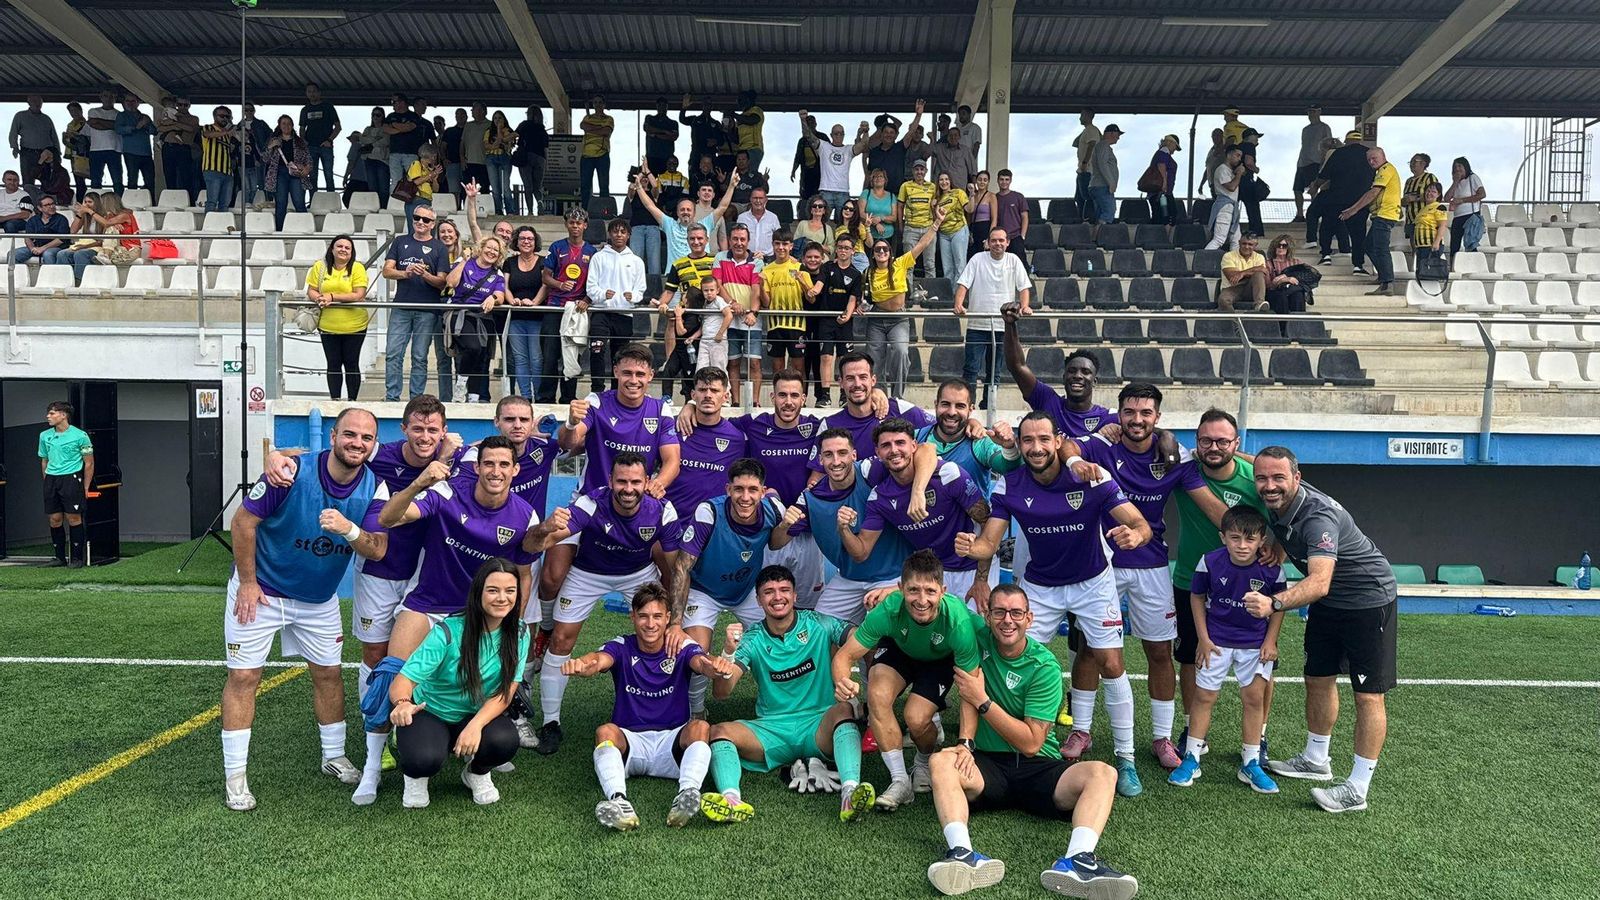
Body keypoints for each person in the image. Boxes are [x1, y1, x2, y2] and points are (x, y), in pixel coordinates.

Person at [958, 412, 1153, 795]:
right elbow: (988, 543)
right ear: (1019, 443)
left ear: (1057, 440)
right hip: (1040, 586)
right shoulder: (1009, 484)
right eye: (1027, 440)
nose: (1035, 448)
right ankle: (1011, 738)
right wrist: (971, 548)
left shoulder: (1091, 476)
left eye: (1043, 439)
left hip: (1093, 582)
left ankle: (1126, 758)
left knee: (1112, 663)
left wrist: (1136, 536)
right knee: (1012, 655)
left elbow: (1139, 523)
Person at [924, 583, 1139, 899]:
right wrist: (891, 591)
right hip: (987, 766)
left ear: (1029, 618)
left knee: (1103, 773)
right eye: (999, 612)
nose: (1007, 620)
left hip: (1038, 767)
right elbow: (941, 601)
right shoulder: (976, 637)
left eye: (1016, 613)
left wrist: (983, 701)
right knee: (940, 760)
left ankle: (1079, 861)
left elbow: (1031, 743)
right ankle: (962, 854)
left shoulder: (1044, 666)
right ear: (987, 615)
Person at [220, 408, 381, 811]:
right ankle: (235, 777)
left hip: (318, 600)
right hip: (263, 591)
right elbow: (242, 524)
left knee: (327, 674)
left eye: (365, 437)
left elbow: (376, 547)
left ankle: (334, 756)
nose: (356, 443)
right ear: (332, 436)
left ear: (373, 444)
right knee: (243, 676)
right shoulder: (288, 472)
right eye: (349, 434)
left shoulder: (374, 486)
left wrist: (349, 529)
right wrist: (249, 582)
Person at [1076, 385, 1229, 772]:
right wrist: (1079, 456)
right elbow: (1064, 447)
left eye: (1146, 413)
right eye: (1130, 412)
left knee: (1159, 652)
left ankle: (1161, 737)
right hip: (1101, 565)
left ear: (1157, 417)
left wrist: (1252, 536)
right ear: (1119, 415)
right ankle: (1080, 730)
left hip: (1151, 564)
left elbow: (1213, 503)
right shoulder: (1101, 447)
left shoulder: (1173, 457)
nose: (1137, 420)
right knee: (1091, 650)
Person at [1252, 447, 1397, 814]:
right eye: (1262, 478)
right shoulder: (1279, 499)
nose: (1270, 486)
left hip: (1367, 600)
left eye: (1278, 478)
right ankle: (1316, 759)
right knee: (1318, 678)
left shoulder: (1318, 517)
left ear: (1296, 479)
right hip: (1330, 605)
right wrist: (1279, 547)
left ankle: (1357, 789)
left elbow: (1319, 583)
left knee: (1367, 695)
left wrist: (1274, 604)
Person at [699, 565, 876, 824]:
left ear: (795, 596)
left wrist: (869, 688)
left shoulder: (819, 624)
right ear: (759, 600)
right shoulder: (752, 639)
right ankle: (732, 800)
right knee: (719, 732)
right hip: (772, 730)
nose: (777, 597)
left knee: (844, 710)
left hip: (819, 725)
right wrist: (727, 653)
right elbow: (722, 693)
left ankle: (850, 793)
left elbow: (865, 638)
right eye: (769, 592)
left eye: (784, 590)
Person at [530, 452, 680, 754]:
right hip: (588, 573)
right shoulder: (590, 503)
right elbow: (538, 544)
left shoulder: (662, 510)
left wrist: (675, 620)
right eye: (621, 481)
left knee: (662, 636)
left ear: (647, 482)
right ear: (610, 481)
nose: (628, 488)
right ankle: (551, 722)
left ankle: (666, 715)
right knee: (561, 639)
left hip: (637, 573)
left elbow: (675, 570)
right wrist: (543, 530)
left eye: (636, 482)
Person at [564, 582, 732, 829]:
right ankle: (619, 802)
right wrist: (582, 664)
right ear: (632, 616)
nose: (650, 624)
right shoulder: (622, 645)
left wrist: (715, 667)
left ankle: (687, 794)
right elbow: (598, 660)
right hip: (631, 743)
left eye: (656, 616)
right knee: (605, 732)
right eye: (643, 616)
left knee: (700, 727)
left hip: (672, 744)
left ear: (667, 619)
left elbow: (702, 663)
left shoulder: (681, 646)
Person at [830, 550, 981, 809]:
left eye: (930, 592)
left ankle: (922, 762)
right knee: (877, 695)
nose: (922, 600)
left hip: (938, 659)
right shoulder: (887, 610)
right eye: (913, 590)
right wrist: (842, 681)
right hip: (900, 650)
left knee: (916, 718)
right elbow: (844, 656)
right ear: (900, 588)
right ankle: (900, 781)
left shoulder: (958, 622)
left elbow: (972, 687)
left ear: (942, 591)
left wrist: (965, 742)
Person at [1166, 408, 1272, 755]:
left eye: (1223, 441)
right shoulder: (1185, 471)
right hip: (1190, 580)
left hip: (1251, 587)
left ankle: (1261, 735)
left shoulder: (1254, 478)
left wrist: (1279, 554)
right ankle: (1191, 729)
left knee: (1261, 660)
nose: (1214, 447)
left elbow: (1286, 516)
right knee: (1190, 656)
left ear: (1236, 443)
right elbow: (1152, 438)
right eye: (1206, 440)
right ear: (1195, 443)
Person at [387, 558, 529, 808]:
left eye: (510, 591)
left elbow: (506, 692)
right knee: (424, 758)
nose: (502, 598)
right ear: (478, 592)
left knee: (505, 740)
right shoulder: (447, 631)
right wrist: (401, 703)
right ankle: (415, 776)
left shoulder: (520, 632)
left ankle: (476, 773)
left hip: (473, 714)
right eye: (493, 590)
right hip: (430, 712)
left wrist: (476, 725)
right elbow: (404, 679)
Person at [666, 459, 801, 718]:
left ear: (763, 491)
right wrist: (675, 622)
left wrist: (784, 526)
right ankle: (694, 713)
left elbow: (774, 544)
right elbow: (683, 567)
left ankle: (785, 706)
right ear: (728, 490)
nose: (745, 497)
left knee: (782, 640)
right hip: (705, 592)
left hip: (746, 590)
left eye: (752, 490)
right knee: (697, 649)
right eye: (739, 489)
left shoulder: (774, 508)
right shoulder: (709, 512)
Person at [1169, 506, 1286, 794]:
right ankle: (1192, 757)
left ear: (1261, 541)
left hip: (1254, 645)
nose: (1242, 546)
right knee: (1204, 697)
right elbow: (1196, 598)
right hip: (1216, 642)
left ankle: (1251, 762)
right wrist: (1203, 639)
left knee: (1254, 700)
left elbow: (1279, 607)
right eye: (1235, 538)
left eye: (1249, 540)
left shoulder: (1272, 569)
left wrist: (1271, 641)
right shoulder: (1209, 562)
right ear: (1223, 538)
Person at [841, 418, 993, 607]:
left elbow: (987, 523)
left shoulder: (948, 475)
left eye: (900, 443)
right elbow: (861, 552)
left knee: (976, 630)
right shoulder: (879, 497)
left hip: (972, 566)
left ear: (914, 446)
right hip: (931, 574)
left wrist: (981, 580)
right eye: (886, 445)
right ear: (877, 452)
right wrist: (844, 529)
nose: (894, 450)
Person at [864, 212, 943, 397]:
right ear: (874, 255)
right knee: (874, 360)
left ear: (890, 253)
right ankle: (879, 396)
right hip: (877, 318)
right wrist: (867, 228)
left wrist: (937, 222)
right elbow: (862, 296)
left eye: (885, 249)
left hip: (898, 318)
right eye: (878, 250)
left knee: (901, 352)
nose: (882, 252)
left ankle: (897, 397)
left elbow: (922, 244)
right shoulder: (868, 272)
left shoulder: (900, 263)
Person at [955, 228, 1031, 409]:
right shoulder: (977, 259)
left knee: (994, 372)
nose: (997, 244)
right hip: (977, 325)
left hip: (1002, 326)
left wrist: (1025, 305)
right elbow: (963, 284)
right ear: (988, 243)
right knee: (971, 370)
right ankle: (968, 406)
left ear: (1007, 243)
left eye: (1001, 240)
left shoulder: (1014, 260)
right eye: (994, 240)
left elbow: (1024, 287)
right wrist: (958, 304)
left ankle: (989, 406)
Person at [382, 204, 452, 402]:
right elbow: (386, 271)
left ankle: (416, 400)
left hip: (427, 309)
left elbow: (442, 281)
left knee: (420, 357)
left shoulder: (439, 247)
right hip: (401, 307)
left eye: (426, 220)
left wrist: (425, 275)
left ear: (433, 224)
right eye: (417, 217)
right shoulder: (400, 241)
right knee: (393, 353)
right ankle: (392, 397)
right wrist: (406, 273)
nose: (421, 222)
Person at [1005, 319, 1113, 438]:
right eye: (1072, 371)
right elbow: (1017, 366)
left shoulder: (1107, 417)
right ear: (1063, 378)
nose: (1077, 376)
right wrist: (1010, 324)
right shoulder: (1048, 401)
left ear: (1095, 381)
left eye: (1085, 372)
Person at [915, 381, 1020, 496]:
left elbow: (1009, 469)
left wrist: (1009, 447)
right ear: (936, 405)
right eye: (945, 404)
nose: (951, 412)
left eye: (960, 406)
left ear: (970, 409)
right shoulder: (916, 438)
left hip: (972, 513)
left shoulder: (980, 442)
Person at [585, 218, 648, 391]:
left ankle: (616, 391)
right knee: (597, 350)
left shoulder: (636, 261)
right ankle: (596, 390)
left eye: (622, 232)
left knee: (619, 356)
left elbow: (640, 290)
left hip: (624, 313)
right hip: (601, 311)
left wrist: (632, 297)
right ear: (610, 234)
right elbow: (591, 287)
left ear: (628, 235)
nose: (618, 235)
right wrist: (602, 295)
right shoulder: (598, 257)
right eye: (615, 231)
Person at [444, 235, 509, 403]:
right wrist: (465, 261)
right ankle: (460, 384)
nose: (492, 252)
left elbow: (500, 296)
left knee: (482, 357)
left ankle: (473, 396)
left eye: (496, 250)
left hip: (483, 317)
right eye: (489, 247)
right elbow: (451, 282)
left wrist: (492, 298)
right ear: (481, 248)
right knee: (473, 348)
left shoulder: (497, 273)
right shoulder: (466, 264)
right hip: (461, 314)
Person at [306, 235, 371, 400]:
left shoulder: (357, 268)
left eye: (347, 248)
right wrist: (318, 298)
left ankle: (352, 401)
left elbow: (359, 294)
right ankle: (334, 400)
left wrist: (332, 296)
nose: (343, 250)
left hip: (354, 325)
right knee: (333, 364)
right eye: (339, 246)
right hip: (328, 325)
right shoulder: (319, 267)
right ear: (332, 249)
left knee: (351, 363)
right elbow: (311, 290)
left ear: (352, 252)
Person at [542, 208, 596, 402]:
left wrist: (587, 300)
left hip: (577, 309)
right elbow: (546, 277)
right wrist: (559, 284)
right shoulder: (557, 247)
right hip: (555, 306)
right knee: (550, 355)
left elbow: (595, 282)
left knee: (572, 354)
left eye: (579, 223)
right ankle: (545, 397)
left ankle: (568, 397)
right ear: (566, 224)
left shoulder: (592, 251)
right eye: (572, 222)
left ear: (585, 225)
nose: (575, 226)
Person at [38, 401, 94, 568]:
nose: (48, 416)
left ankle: (77, 558)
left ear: (63, 415)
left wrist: (85, 486)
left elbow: (89, 463)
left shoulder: (80, 435)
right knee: (54, 519)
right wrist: (47, 480)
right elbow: (44, 460)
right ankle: (59, 558)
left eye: (52, 413)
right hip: (51, 479)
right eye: (48, 413)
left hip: (71, 478)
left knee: (73, 517)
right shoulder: (44, 435)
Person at [1339, 146, 1402, 295]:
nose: (1372, 161)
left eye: (1375, 158)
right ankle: (1383, 277)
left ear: (1383, 156)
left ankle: (1387, 283)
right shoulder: (1380, 171)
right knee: (1368, 246)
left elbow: (1373, 192)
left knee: (1381, 249)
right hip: (1380, 215)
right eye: (1369, 159)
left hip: (1385, 214)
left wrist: (1352, 210)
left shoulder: (1386, 170)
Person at [714, 222, 765, 402]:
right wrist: (732, 302)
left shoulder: (757, 262)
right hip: (729, 319)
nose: (738, 243)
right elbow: (717, 285)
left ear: (748, 241)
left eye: (742, 239)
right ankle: (735, 401)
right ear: (729, 240)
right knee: (733, 362)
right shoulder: (720, 257)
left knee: (755, 363)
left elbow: (756, 289)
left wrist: (753, 313)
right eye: (735, 239)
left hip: (751, 320)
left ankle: (755, 402)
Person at [811, 238, 862, 405]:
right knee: (826, 356)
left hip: (845, 322)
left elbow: (853, 299)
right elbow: (819, 284)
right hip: (826, 319)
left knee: (844, 358)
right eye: (840, 247)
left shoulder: (856, 274)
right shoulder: (827, 267)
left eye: (847, 248)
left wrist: (847, 315)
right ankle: (825, 396)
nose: (843, 251)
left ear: (852, 251)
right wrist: (813, 290)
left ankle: (844, 395)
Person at [1312, 130, 1373, 266]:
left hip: (1337, 198)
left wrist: (1315, 186)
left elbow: (1324, 176)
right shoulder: (1369, 154)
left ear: (1347, 141)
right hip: (1360, 200)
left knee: (1327, 226)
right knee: (1358, 234)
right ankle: (1358, 265)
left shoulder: (1338, 153)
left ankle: (1326, 255)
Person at [760, 229, 810, 378]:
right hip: (775, 324)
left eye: (785, 244)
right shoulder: (767, 269)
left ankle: (801, 400)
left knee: (798, 367)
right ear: (773, 245)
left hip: (797, 324)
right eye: (777, 244)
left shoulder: (799, 267)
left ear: (791, 246)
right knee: (777, 367)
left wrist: (803, 283)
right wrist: (761, 286)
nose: (781, 247)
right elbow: (767, 302)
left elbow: (811, 298)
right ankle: (778, 399)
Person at [804, 111, 872, 217]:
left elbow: (863, 145)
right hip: (826, 190)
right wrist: (803, 120)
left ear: (844, 135)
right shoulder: (823, 146)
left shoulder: (848, 149)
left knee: (845, 224)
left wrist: (866, 131)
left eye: (841, 133)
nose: (839, 135)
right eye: (836, 133)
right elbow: (808, 136)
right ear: (831, 135)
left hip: (843, 192)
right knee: (821, 222)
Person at [383, 94, 433, 198]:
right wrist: (400, 128)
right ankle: (394, 203)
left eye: (394, 102)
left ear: (402, 102)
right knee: (395, 180)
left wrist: (394, 125)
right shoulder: (390, 116)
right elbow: (385, 129)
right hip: (394, 153)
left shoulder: (413, 116)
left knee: (413, 179)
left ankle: (414, 201)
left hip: (410, 154)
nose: (393, 106)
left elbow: (409, 127)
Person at [265, 116, 310, 231]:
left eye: (289, 123)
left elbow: (309, 160)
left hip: (296, 174)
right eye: (284, 123)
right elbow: (265, 159)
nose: (286, 126)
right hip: (279, 173)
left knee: (299, 202)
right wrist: (270, 147)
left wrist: (306, 169)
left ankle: (305, 228)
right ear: (279, 125)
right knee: (280, 204)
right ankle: (280, 231)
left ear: (292, 125)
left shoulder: (300, 142)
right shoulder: (273, 141)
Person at [159, 94, 202, 204]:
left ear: (189, 105)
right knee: (169, 176)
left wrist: (174, 123)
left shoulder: (193, 118)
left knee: (186, 177)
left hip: (184, 148)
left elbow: (191, 128)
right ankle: (171, 202)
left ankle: (188, 203)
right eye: (180, 104)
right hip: (168, 148)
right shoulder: (168, 114)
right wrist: (175, 126)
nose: (182, 107)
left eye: (185, 105)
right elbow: (160, 127)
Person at [1293, 105, 1332, 222]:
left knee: (1313, 188)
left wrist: (1324, 162)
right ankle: (1300, 215)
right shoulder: (1305, 129)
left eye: (1314, 111)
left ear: (1319, 112)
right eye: (1310, 112)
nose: (1311, 114)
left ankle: (1314, 214)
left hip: (1315, 163)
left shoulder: (1324, 127)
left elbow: (1328, 145)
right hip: (1302, 163)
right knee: (1297, 189)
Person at [899, 159, 937, 276]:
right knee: (908, 265)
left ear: (926, 171)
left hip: (928, 229)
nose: (919, 172)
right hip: (911, 228)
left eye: (922, 169)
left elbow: (936, 206)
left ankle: (932, 293)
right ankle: (908, 294)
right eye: (916, 169)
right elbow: (900, 206)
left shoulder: (932, 186)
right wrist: (901, 226)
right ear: (913, 171)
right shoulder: (905, 186)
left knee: (930, 264)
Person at [9, 94, 56, 188]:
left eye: (39, 101)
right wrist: (14, 147)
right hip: (27, 153)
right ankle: (28, 201)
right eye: (34, 101)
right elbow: (13, 133)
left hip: (45, 153)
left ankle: (46, 201)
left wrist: (57, 153)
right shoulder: (20, 116)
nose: (37, 103)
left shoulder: (46, 119)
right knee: (28, 180)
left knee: (47, 180)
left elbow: (54, 137)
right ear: (29, 102)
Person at [112, 95, 156, 195]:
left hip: (146, 153)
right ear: (124, 102)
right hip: (130, 153)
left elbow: (154, 131)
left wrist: (146, 124)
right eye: (128, 101)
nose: (130, 103)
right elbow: (118, 129)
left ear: (138, 103)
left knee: (150, 181)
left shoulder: (144, 116)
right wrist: (135, 127)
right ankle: (131, 203)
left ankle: (151, 202)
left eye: (133, 101)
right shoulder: (122, 116)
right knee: (132, 179)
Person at [1204, 145, 1245, 251]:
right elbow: (1231, 187)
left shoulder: (1230, 171)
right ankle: (1203, 258)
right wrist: (1239, 173)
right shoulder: (1222, 169)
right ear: (1228, 155)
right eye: (1237, 155)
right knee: (1219, 239)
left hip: (1231, 207)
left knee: (1236, 240)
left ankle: (1234, 264)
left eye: (1240, 156)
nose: (1239, 159)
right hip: (1225, 207)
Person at [9, 195, 69, 266]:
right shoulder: (33, 220)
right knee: (12, 254)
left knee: (48, 254)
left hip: (56, 248)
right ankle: (17, 276)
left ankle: (51, 276)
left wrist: (42, 248)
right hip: (37, 246)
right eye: (47, 205)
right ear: (40, 208)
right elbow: (27, 238)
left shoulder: (62, 219)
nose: (51, 206)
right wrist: (32, 249)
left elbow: (61, 240)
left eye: (53, 204)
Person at [932, 172, 970, 281]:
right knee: (947, 267)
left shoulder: (958, 192)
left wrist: (972, 194)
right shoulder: (937, 198)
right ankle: (950, 294)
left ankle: (959, 295)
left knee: (960, 264)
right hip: (943, 234)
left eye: (946, 179)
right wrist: (932, 206)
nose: (944, 182)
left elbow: (969, 209)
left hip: (958, 230)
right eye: (941, 180)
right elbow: (935, 219)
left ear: (950, 181)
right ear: (938, 183)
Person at [199, 107, 238, 213]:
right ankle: (208, 227)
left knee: (225, 204)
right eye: (222, 116)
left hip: (228, 172)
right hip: (212, 170)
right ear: (215, 117)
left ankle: (221, 225)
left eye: (227, 116)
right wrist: (227, 132)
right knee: (212, 201)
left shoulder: (228, 136)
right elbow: (207, 134)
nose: (225, 118)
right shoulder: (208, 127)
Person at [1444, 156, 1486, 255]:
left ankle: (1473, 265)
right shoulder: (1456, 182)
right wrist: (1455, 182)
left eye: (1460, 166)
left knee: (1471, 244)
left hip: (1471, 215)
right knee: (1454, 245)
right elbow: (1446, 198)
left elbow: (1482, 194)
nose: (1457, 169)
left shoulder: (1473, 178)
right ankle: (1453, 265)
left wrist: (1462, 200)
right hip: (1458, 216)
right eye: (1455, 167)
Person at [1218, 234, 1270, 312]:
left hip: (1250, 289)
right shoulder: (1228, 256)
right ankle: (1234, 323)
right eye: (1244, 243)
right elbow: (1232, 276)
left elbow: (1262, 273)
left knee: (1259, 274)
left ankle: (1259, 303)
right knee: (1223, 300)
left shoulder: (1259, 257)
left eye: (1250, 244)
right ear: (1239, 243)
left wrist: (1242, 273)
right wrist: (1254, 270)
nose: (1246, 247)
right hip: (1232, 288)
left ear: (1256, 245)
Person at [1263, 234, 1309, 321]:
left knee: (1298, 295)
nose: (1280, 248)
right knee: (1282, 297)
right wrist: (1284, 280)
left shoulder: (1296, 262)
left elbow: (1303, 279)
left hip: (1293, 291)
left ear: (1289, 248)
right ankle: (1283, 327)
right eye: (1278, 245)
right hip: (1275, 293)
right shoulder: (1268, 263)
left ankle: (1297, 326)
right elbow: (1268, 286)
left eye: (1284, 246)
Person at [85, 88, 123, 194]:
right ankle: (95, 204)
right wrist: (112, 125)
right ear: (101, 97)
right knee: (96, 180)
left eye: (111, 96)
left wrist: (99, 121)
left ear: (115, 98)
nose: (109, 99)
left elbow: (117, 127)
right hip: (96, 149)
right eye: (106, 96)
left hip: (114, 149)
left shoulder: (119, 114)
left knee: (117, 180)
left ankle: (119, 203)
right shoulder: (93, 111)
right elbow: (93, 124)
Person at [514, 106, 549, 214]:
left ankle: (529, 211)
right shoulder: (542, 130)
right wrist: (545, 162)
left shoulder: (524, 125)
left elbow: (515, 135)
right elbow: (545, 149)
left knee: (527, 186)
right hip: (540, 159)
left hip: (526, 157)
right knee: (537, 187)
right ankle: (540, 203)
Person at [580, 95, 614, 206]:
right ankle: (585, 210)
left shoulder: (609, 119)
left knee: (603, 185)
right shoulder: (587, 117)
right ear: (593, 104)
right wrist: (599, 128)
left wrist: (591, 128)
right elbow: (583, 125)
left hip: (602, 154)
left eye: (600, 102)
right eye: (595, 102)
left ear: (604, 104)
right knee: (585, 185)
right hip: (586, 155)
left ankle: (604, 210)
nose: (597, 104)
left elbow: (606, 131)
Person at [1086, 124, 1123, 225]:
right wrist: (1111, 182)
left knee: (1100, 214)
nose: (1118, 138)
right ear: (1111, 133)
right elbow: (1102, 163)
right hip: (1102, 186)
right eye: (1117, 134)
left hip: (1098, 186)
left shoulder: (1103, 146)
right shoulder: (1103, 145)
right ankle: (1100, 236)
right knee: (1109, 212)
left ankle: (1095, 238)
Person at [992, 170, 1029, 268]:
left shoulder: (1018, 197)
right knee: (1001, 267)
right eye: (1001, 179)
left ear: (1010, 181)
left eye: (1007, 179)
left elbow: (1025, 217)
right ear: (997, 180)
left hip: (1016, 237)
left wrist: (1022, 236)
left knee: (1020, 267)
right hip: (1000, 239)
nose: (1004, 182)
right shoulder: (994, 198)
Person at [1401, 153, 1439, 244]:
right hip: (1411, 220)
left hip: (1425, 221)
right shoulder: (1408, 181)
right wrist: (1403, 201)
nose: (1411, 164)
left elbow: (1435, 195)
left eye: (1415, 161)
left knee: (1425, 247)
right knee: (1414, 247)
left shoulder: (1429, 177)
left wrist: (1414, 198)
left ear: (1423, 164)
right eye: (1410, 162)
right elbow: (1405, 199)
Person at [483, 111, 517, 215]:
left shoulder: (509, 131)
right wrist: (497, 143)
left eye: (500, 118)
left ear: (504, 120)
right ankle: (498, 210)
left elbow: (504, 142)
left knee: (505, 186)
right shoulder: (488, 131)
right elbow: (487, 145)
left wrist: (499, 132)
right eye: (495, 118)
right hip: (491, 158)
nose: (497, 120)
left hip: (504, 158)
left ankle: (510, 210)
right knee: (495, 187)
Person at [1411, 183, 1449, 270]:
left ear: (1438, 194)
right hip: (1420, 246)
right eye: (1428, 191)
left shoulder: (1439, 207)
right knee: (1421, 273)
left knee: (1430, 273)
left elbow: (1442, 226)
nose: (1429, 193)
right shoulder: (1423, 209)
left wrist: (1436, 242)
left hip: (1431, 245)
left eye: (1433, 191)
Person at [1071, 111, 1100, 222]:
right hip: (1083, 170)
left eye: (1082, 115)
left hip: (1087, 170)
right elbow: (1074, 143)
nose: (1080, 118)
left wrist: (1084, 162)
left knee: (1087, 197)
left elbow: (1092, 145)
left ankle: (1089, 220)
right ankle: (1081, 219)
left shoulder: (1091, 130)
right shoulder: (1087, 131)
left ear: (1089, 116)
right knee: (1079, 197)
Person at [1146, 134, 1180, 226]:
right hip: (1162, 193)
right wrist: (1164, 183)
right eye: (1175, 146)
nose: (1174, 150)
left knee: (1161, 215)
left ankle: (1160, 235)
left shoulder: (1161, 153)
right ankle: (1164, 236)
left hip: (1160, 192)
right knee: (1167, 215)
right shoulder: (1164, 151)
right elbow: (1161, 165)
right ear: (1170, 142)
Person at [965, 171, 999, 259]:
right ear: (976, 181)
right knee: (971, 258)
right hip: (973, 229)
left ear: (988, 182)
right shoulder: (973, 195)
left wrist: (990, 237)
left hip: (984, 228)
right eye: (980, 180)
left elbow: (994, 219)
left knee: (984, 258)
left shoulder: (991, 196)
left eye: (985, 180)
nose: (982, 182)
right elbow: (969, 214)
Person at [1237, 128, 1264, 237]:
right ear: (1251, 137)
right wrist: (1256, 169)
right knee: (1253, 207)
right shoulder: (1249, 146)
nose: (1257, 139)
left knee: (1234, 207)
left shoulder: (1238, 147)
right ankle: (1256, 231)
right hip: (1246, 180)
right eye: (1256, 136)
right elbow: (1248, 162)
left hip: (1236, 180)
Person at [792, 114, 822, 201]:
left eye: (812, 123)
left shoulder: (822, 137)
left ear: (815, 124)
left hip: (820, 173)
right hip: (806, 173)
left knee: (819, 197)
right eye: (808, 123)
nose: (810, 125)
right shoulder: (802, 141)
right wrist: (793, 170)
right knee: (806, 197)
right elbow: (798, 157)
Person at [836, 199, 872, 270]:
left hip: (858, 257)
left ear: (855, 212)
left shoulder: (859, 226)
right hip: (842, 258)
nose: (847, 210)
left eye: (851, 209)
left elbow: (870, 244)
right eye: (845, 208)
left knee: (860, 280)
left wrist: (867, 227)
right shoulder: (838, 228)